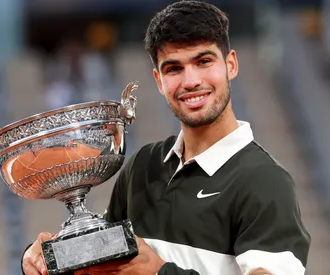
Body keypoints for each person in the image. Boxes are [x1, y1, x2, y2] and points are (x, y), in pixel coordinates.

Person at [22, 1, 311, 274]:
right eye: (174, 68)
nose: (190, 81)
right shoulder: (143, 166)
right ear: (159, 81)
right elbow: (105, 265)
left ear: (230, 65)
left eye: (203, 61)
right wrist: (43, 259)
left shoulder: (265, 182)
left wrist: (161, 272)